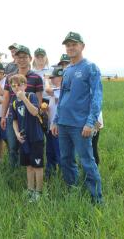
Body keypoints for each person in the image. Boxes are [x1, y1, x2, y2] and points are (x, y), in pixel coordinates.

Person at [51, 31, 103, 204]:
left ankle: (96, 199)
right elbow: (63, 97)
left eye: (74, 44)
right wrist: (55, 120)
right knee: (66, 159)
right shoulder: (67, 71)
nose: (71, 47)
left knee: (87, 161)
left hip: (80, 125)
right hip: (64, 124)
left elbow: (97, 96)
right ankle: (72, 191)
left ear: (82, 46)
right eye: (68, 45)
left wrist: (90, 122)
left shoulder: (90, 67)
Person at [0, 45, 43, 169]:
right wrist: (3, 116)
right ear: (15, 58)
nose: (21, 59)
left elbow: (39, 101)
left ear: (30, 58)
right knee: (12, 146)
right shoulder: (10, 77)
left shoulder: (36, 78)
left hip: (30, 118)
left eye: (24, 57)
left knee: (29, 145)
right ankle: (14, 170)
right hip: (13, 117)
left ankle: (29, 169)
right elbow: (6, 98)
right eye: (19, 57)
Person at [10, 74, 44, 202]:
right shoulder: (14, 103)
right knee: (28, 166)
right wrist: (17, 133)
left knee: (37, 166)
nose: (16, 87)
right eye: (13, 85)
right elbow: (14, 120)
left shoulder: (31, 96)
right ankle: (30, 190)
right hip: (24, 139)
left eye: (19, 84)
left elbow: (35, 112)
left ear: (25, 85)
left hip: (36, 137)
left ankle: (39, 192)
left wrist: (24, 98)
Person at [44, 67, 63, 178]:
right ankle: (50, 175)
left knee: (60, 154)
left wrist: (45, 80)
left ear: (60, 78)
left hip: (58, 128)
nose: (51, 80)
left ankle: (64, 178)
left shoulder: (62, 89)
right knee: (50, 152)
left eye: (53, 78)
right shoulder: (56, 89)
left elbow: (47, 90)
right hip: (51, 127)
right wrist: (46, 110)